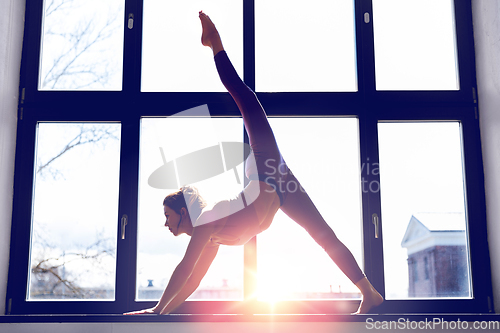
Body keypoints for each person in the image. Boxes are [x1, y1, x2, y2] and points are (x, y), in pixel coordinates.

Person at [125, 11, 383, 315]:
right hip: (280, 187)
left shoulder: (207, 221)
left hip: (265, 167)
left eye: (168, 216)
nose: (166, 224)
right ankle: (369, 292)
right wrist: (162, 314)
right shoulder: (210, 235)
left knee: (244, 99)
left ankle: (215, 45)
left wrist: (156, 311)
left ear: (184, 212)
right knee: (323, 235)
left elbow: (185, 268)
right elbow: (194, 279)